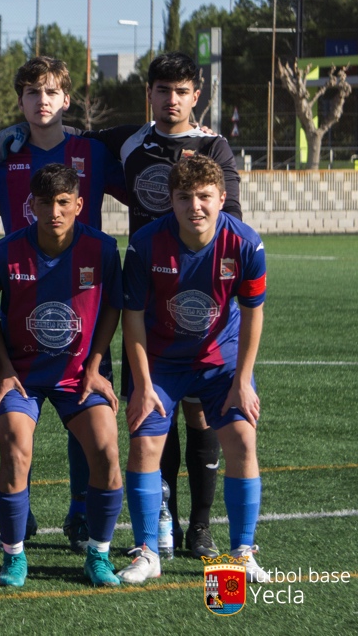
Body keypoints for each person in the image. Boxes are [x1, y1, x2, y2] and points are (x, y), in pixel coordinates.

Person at [0, 51, 242, 559]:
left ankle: (200, 523)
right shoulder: (122, 141)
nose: (171, 100)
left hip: (200, 290)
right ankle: (162, 517)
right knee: (152, 409)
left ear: (197, 96)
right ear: (148, 94)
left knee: (198, 414)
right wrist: (6, 139)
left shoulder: (214, 145)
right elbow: (61, 137)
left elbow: (228, 213)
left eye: (181, 91)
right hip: (145, 289)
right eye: (162, 90)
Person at [0, 56, 126, 553]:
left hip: (82, 293)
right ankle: (22, 513)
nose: (42, 101)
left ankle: (82, 512)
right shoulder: (5, 153)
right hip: (25, 281)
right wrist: (0, 184)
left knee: (87, 418)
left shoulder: (92, 151)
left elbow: (140, 171)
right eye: (32, 93)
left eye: (51, 92)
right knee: (19, 430)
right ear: (21, 102)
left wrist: (190, 137)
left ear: (66, 100)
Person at [118, 155, 270, 585]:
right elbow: (132, 318)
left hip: (219, 360)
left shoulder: (245, 244)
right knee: (144, 445)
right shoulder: (146, 244)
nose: (195, 207)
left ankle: (242, 551)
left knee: (242, 438)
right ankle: (148, 551)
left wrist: (242, 380)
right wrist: (144, 385)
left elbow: (253, 313)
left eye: (204, 197)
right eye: (184, 197)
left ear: (222, 198)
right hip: (161, 361)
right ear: (171, 201)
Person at [0, 163, 124, 588]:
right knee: (16, 450)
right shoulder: (4, 252)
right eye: (46, 203)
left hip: (77, 375)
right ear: (32, 205)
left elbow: (113, 308)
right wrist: (2, 370)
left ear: (79, 204)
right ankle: (14, 557)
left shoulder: (102, 250)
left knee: (106, 450)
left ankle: (98, 554)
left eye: (64, 202)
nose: (55, 211)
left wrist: (96, 366)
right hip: (20, 375)